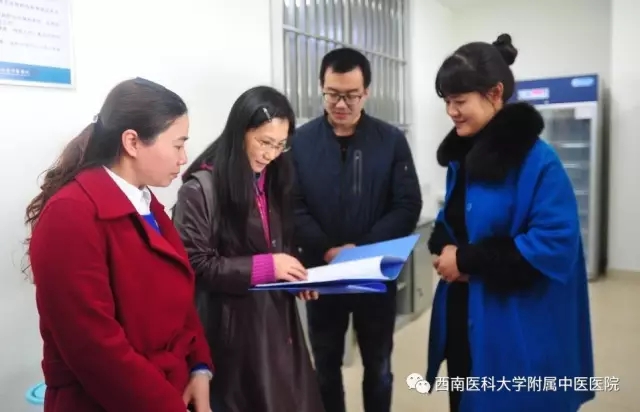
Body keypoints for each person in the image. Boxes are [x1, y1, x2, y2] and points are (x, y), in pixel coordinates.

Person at [425, 34, 595, 412]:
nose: (451, 112)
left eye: (459, 101)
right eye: (446, 101)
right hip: (466, 320)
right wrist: (444, 246)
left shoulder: (538, 162)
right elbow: (453, 219)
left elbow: (555, 244)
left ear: (495, 93)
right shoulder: (463, 155)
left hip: (515, 328)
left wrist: (467, 261)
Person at [24, 78, 213, 412]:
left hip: (168, 389)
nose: (184, 158)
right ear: (132, 142)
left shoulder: (146, 203)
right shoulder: (70, 214)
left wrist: (199, 367)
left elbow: (180, 297)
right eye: (177, 145)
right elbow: (94, 349)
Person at [172, 85, 325, 412]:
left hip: (277, 324)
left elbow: (278, 243)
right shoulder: (200, 190)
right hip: (233, 333)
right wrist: (269, 266)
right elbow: (196, 264)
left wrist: (293, 275)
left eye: (280, 145)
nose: (271, 154)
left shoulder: (275, 177)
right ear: (240, 132)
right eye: (264, 142)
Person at [290, 47, 423, 412]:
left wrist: (360, 249)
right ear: (321, 87)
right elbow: (292, 205)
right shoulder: (301, 142)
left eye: (351, 95)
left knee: (378, 367)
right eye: (332, 94)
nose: (341, 104)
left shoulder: (390, 140)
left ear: (366, 93)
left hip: (373, 274)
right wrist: (327, 249)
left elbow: (407, 205)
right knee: (325, 368)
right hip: (322, 274)